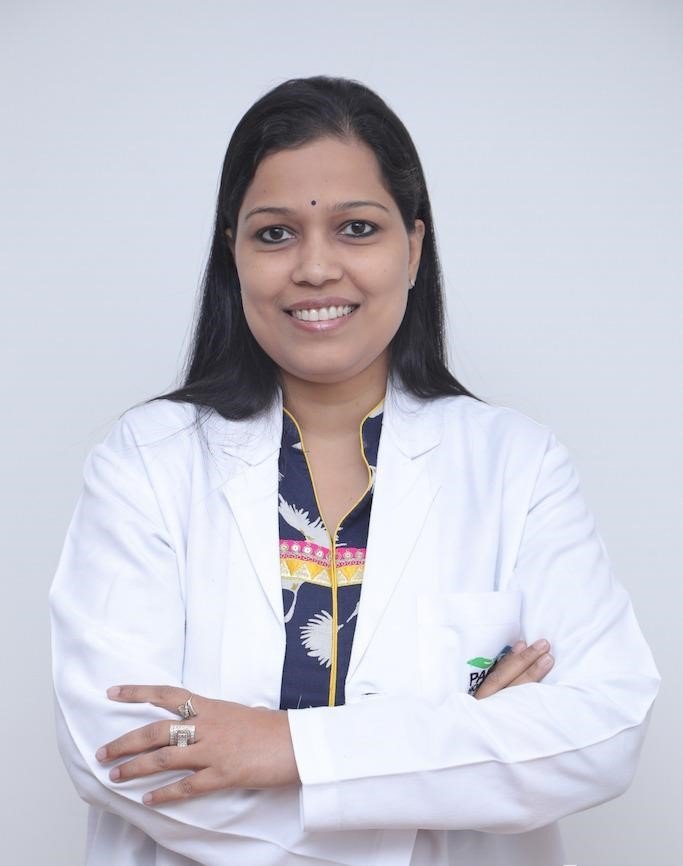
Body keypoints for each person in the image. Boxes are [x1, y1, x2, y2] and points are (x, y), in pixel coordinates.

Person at [49, 75, 660, 866]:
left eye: (356, 228)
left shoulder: (515, 463)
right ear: (233, 253)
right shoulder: (147, 461)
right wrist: (457, 746)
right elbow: (121, 751)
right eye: (274, 234)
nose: (314, 268)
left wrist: (284, 747)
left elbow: (600, 730)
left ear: (413, 247)